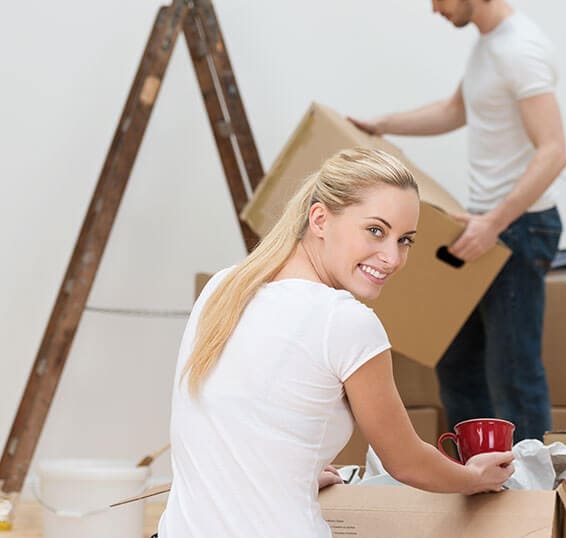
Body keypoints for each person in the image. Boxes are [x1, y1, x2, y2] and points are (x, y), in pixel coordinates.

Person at [155, 148, 514, 538]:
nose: (392, 257)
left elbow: (231, 430)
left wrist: (294, 476)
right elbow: (407, 462)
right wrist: (473, 477)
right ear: (320, 219)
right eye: (375, 231)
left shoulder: (224, 287)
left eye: (405, 240)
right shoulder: (344, 321)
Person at [349, 0, 566, 442]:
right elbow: (455, 110)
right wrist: (382, 125)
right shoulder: (490, 44)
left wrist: (494, 224)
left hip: (519, 228)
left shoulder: (521, 48)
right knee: (456, 363)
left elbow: (554, 152)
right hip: (486, 225)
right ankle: (473, 473)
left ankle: (530, 484)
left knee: (512, 373)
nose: (435, 9)